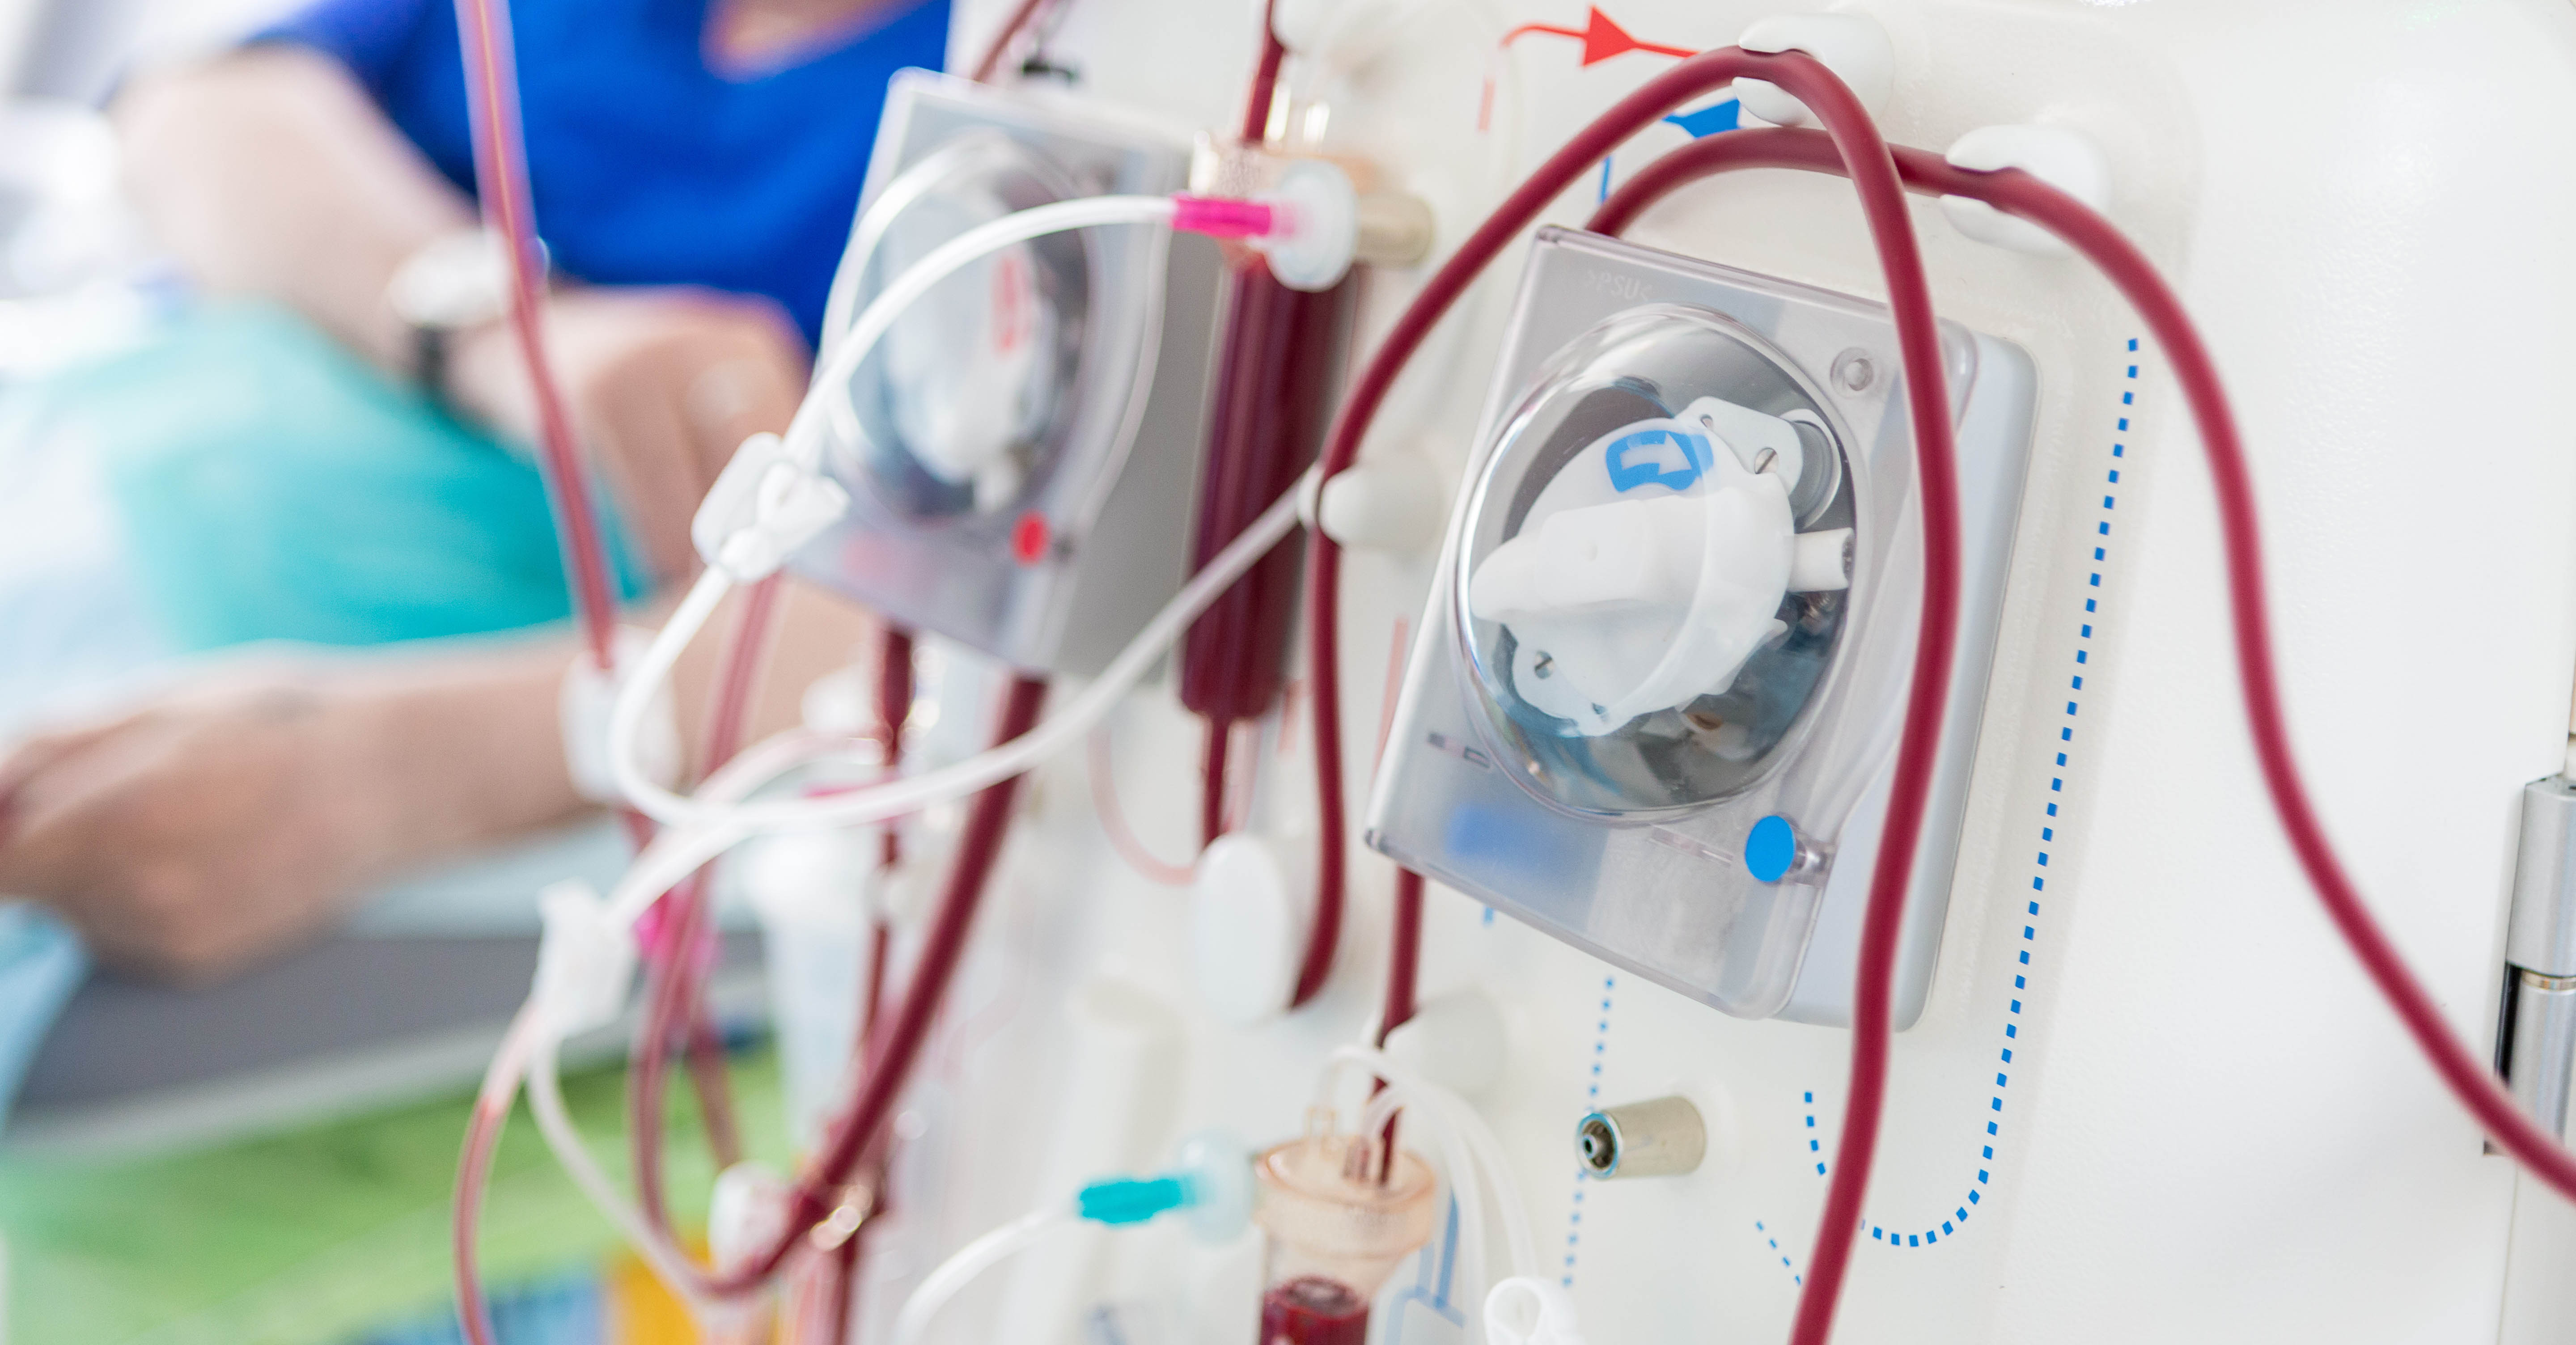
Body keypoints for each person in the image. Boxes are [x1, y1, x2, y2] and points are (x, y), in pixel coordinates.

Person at [0, 0, 954, 983]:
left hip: (295, 705)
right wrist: (506, 333)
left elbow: (950, 623)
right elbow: (197, 111)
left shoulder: (992, 96)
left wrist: (396, 777)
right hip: (74, 463)